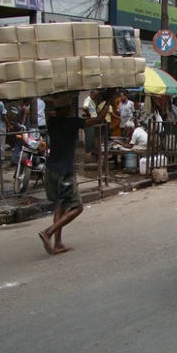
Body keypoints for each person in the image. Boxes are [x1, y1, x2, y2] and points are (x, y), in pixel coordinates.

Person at [38, 92, 115, 256]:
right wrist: (109, 99)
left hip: (50, 169)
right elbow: (99, 119)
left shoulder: (52, 122)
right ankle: (48, 232)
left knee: (61, 205)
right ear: (67, 109)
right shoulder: (71, 123)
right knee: (77, 207)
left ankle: (57, 242)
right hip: (64, 172)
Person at [81, 90, 98, 154]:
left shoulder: (92, 101)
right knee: (89, 137)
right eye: (95, 95)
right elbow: (84, 107)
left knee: (93, 137)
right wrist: (88, 114)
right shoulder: (87, 100)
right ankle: (88, 152)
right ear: (92, 94)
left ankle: (92, 152)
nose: (96, 97)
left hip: (93, 121)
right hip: (90, 121)